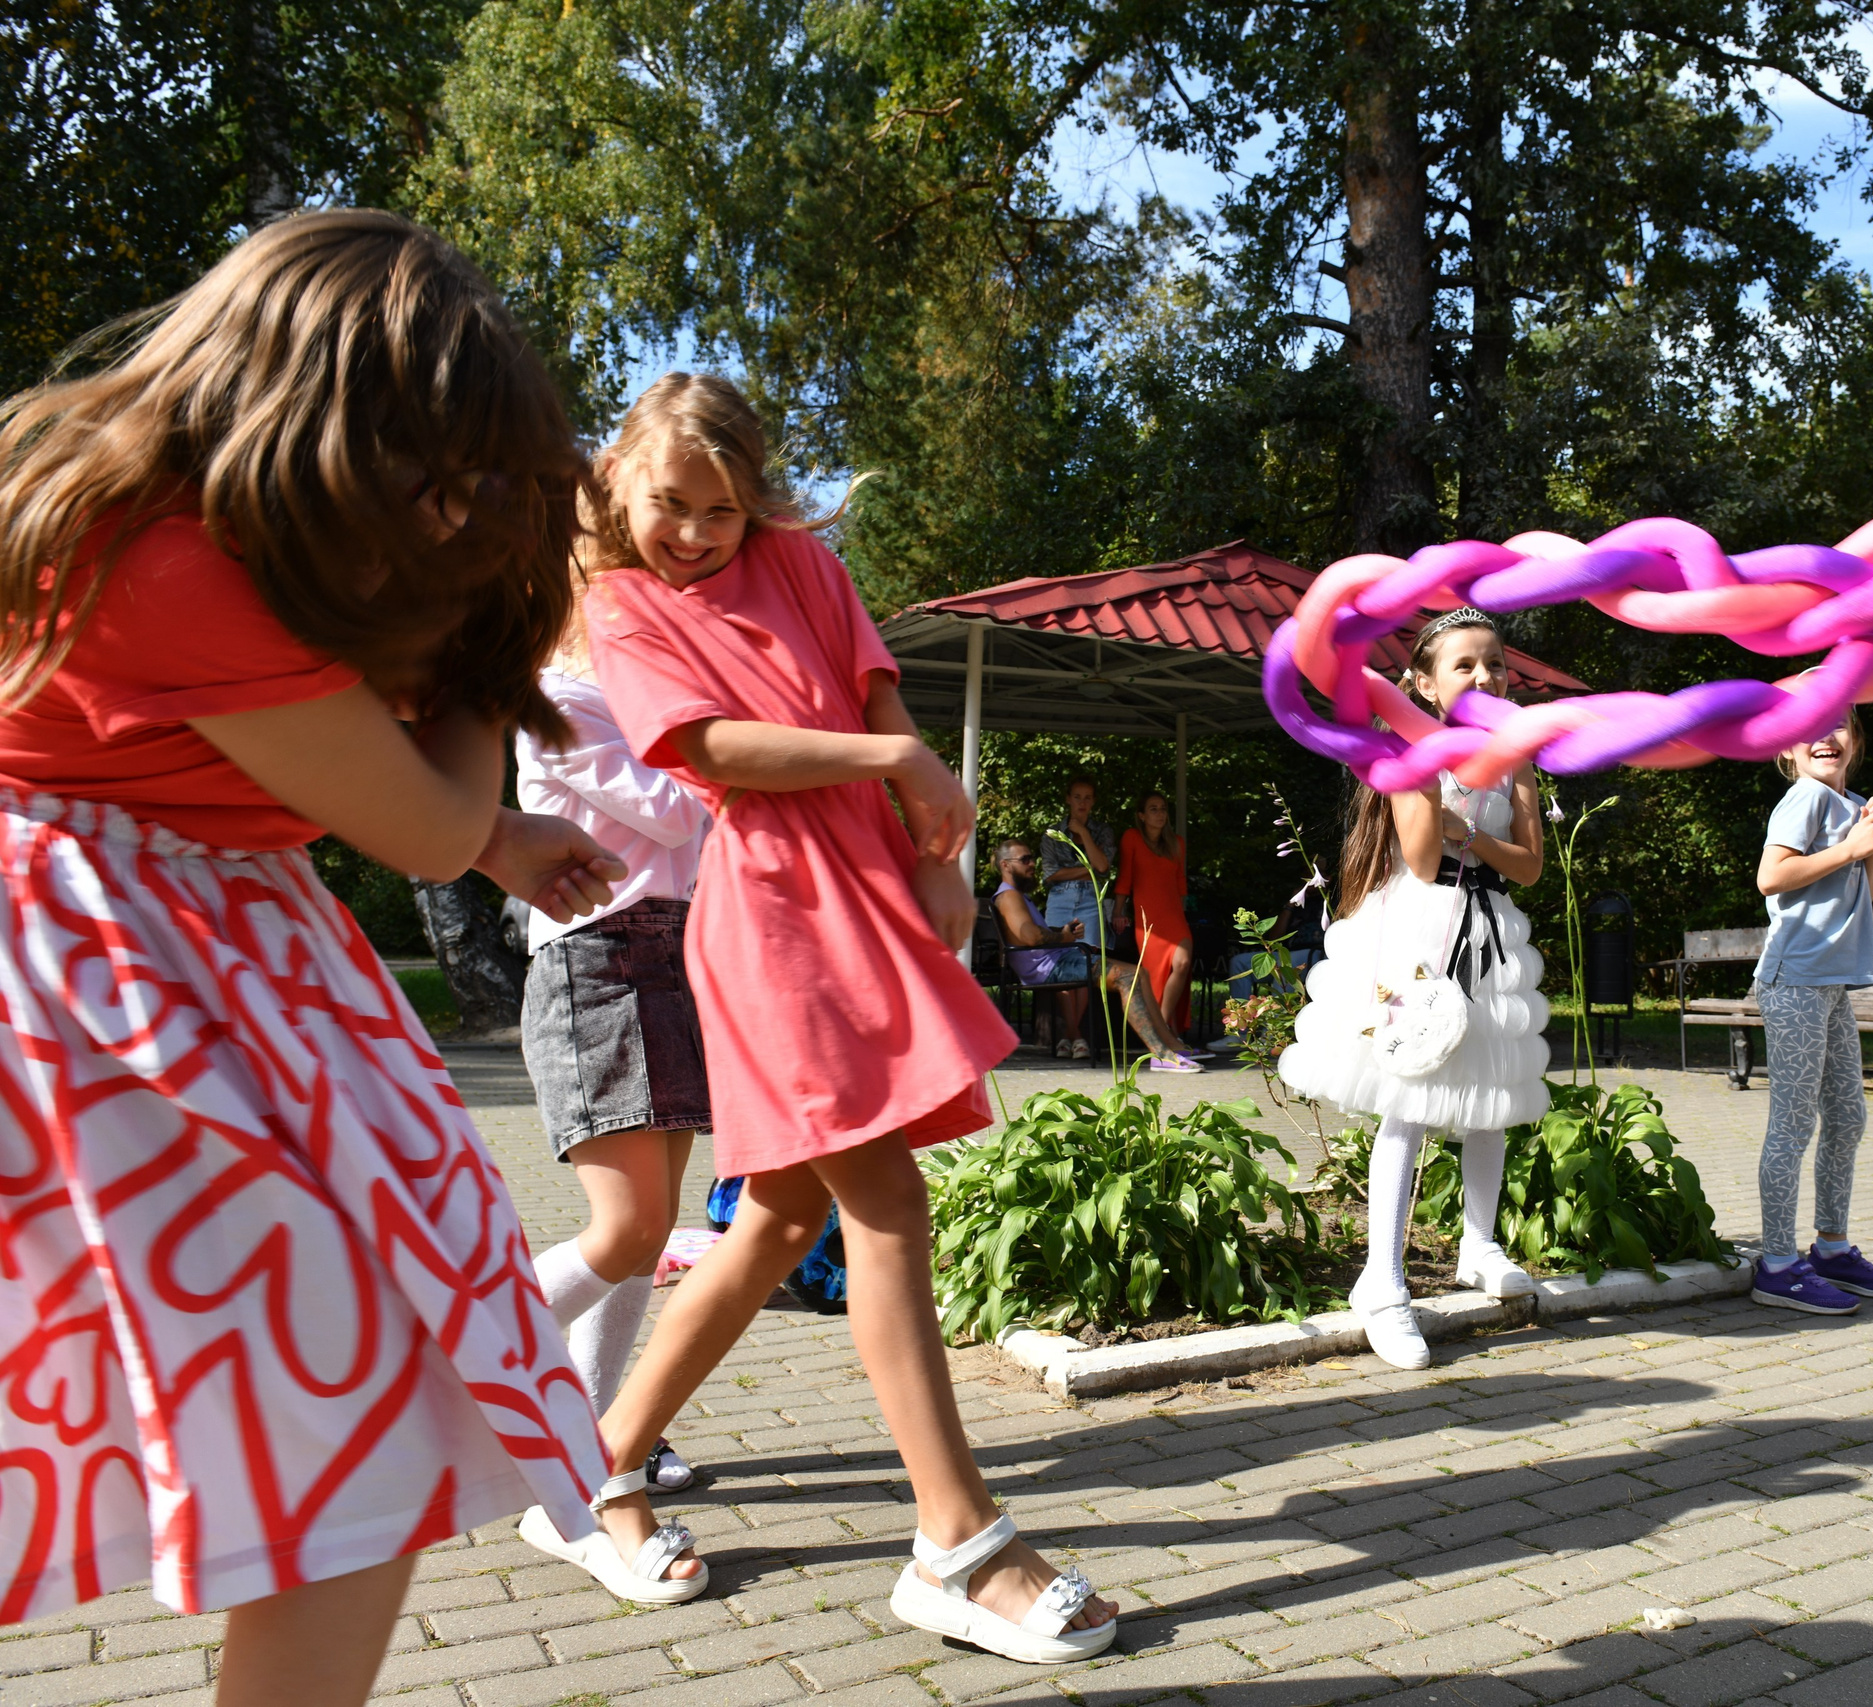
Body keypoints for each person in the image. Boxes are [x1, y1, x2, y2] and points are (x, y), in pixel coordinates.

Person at [0, 211, 627, 1705]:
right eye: (440, 480)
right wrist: (491, 670)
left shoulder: (235, 545)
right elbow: (410, 819)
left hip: (195, 951)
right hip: (98, 987)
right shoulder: (151, 558)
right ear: (307, 419)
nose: (456, 526)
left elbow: (272, 776)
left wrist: (497, 839)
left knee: (367, 1393)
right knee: (355, 1378)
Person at [556, 372, 1119, 1660]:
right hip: (769, 916)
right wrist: (897, 768)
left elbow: (877, 702)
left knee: (776, 1219)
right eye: (671, 505)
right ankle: (955, 1545)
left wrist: (934, 847)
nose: (697, 534)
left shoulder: (803, 567)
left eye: (725, 508)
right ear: (616, 486)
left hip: (867, 888)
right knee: (885, 1207)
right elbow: (705, 750)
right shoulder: (620, 602)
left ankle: (607, 1461)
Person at [1280, 609, 1548, 1370]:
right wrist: (1462, 823)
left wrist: (1473, 834)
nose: (1486, 677)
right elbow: (1425, 857)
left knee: (1489, 1095)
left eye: (1495, 664)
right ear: (1424, 684)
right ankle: (1382, 1279)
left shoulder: (1515, 754)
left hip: (1489, 928)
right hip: (1423, 929)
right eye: (1464, 665)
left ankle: (1478, 1243)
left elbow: (1529, 866)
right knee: (1411, 1097)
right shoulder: (1411, 748)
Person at [515, 588, 714, 1494]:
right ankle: (445, 1383)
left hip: (665, 956)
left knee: (647, 1230)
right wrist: (730, 758)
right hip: (596, 962)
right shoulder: (559, 703)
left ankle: (595, 1440)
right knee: (626, 1225)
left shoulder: (637, 707)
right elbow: (677, 814)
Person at [1748, 717, 1873, 1314]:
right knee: (1793, 1123)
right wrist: (1851, 847)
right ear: (1788, 747)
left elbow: (1862, 894)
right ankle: (1777, 1263)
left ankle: (1832, 1249)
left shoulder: (1854, 805)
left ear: (1856, 742)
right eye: (1810, 724)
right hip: (1793, 981)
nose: (1825, 735)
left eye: (1838, 724)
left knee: (1847, 1117)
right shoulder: (1806, 796)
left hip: (1833, 983)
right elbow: (1771, 877)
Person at [991, 837, 1200, 1071]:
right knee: (1127, 978)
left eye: (1032, 858)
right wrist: (1065, 938)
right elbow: (1030, 936)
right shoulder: (1008, 896)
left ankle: (1172, 1045)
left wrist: (1063, 932)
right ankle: (1161, 1055)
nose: (1032, 864)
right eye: (1025, 859)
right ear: (1005, 865)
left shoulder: (1017, 896)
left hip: (1058, 960)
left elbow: (1032, 935)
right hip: (1050, 968)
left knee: (1140, 973)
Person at [1039, 778, 1114, 1059]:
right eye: (1077, 797)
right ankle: (1075, 1034)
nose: (1082, 802)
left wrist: (1082, 831)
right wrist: (1090, 869)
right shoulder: (1051, 833)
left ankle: (1070, 1036)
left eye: (1088, 798)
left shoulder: (1102, 831)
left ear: (1093, 802)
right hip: (1059, 900)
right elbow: (1050, 875)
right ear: (1068, 799)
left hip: (1089, 901)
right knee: (1061, 963)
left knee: (1085, 964)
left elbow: (1104, 866)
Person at [1116, 789, 1193, 1032]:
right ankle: (1163, 1033)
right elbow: (1125, 878)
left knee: (1182, 963)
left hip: (1174, 917)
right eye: (1153, 809)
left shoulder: (1176, 842)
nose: (1160, 814)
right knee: (1154, 977)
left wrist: (1181, 914)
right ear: (1141, 815)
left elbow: (1181, 882)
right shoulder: (1131, 838)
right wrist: (1118, 911)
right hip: (1147, 919)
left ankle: (1163, 1029)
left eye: (1163, 809)